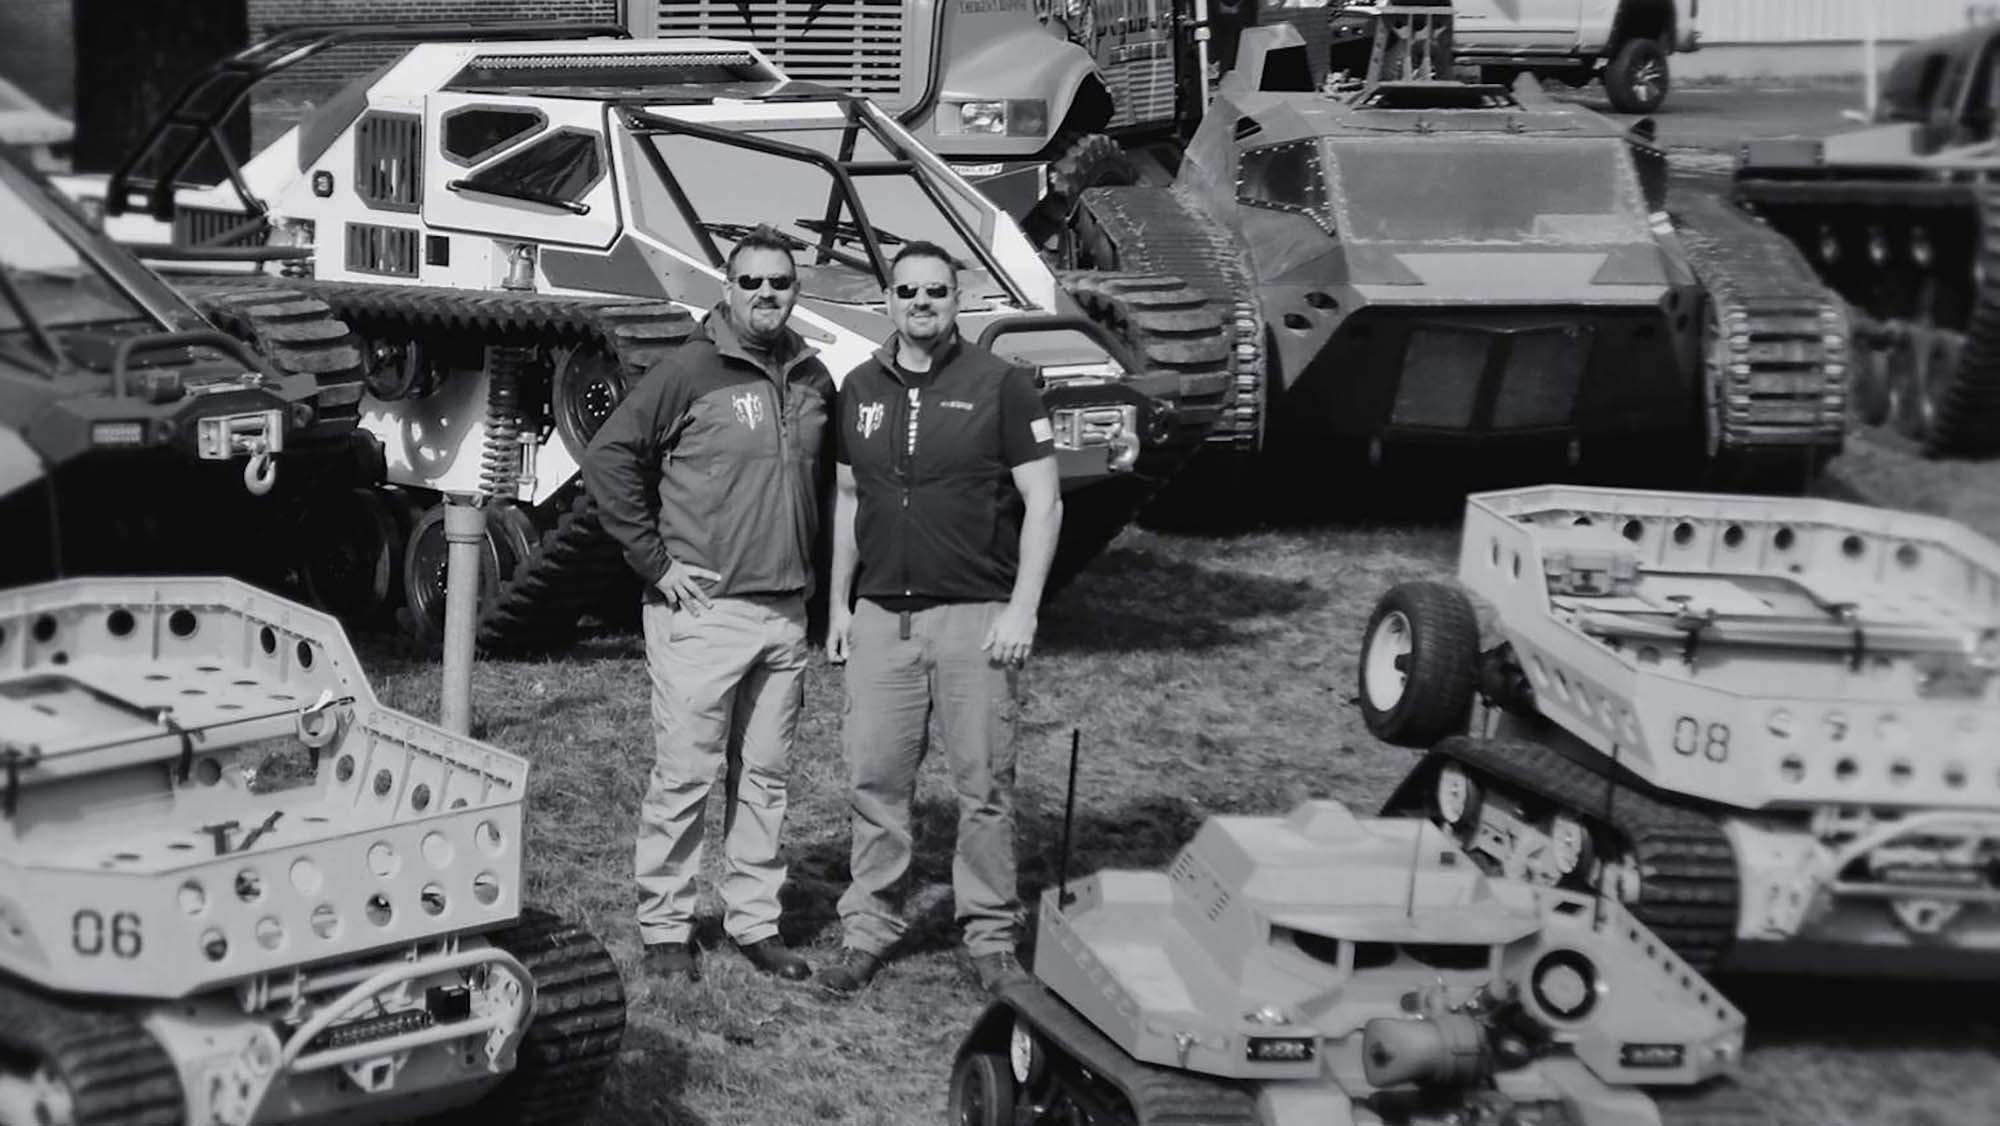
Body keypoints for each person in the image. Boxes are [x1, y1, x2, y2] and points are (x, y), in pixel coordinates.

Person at [581, 225, 833, 985]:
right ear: (728, 287)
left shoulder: (815, 378)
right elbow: (608, 457)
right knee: (686, 775)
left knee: (765, 776)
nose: (766, 294)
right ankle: (666, 927)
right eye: (751, 281)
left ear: (795, 290)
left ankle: (755, 923)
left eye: (780, 282)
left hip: (784, 613)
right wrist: (656, 563)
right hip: (704, 611)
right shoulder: (689, 370)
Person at [816, 240, 1064, 996]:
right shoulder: (856, 386)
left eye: (937, 293)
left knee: (983, 785)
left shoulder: (1004, 386)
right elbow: (849, 499)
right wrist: (838, 604)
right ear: (887, 301)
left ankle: (991, 937)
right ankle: (868, 930)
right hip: (881, 621)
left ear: (959, 301)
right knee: (875, 783)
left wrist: (1021, 608)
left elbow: (1045, 503)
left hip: (975, 618)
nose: (921, 304)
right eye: (908, 292)